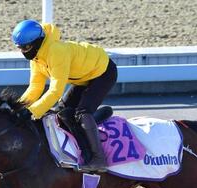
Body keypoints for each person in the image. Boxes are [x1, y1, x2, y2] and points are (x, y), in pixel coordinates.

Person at [11, 19, 118, 172]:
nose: (23, 51)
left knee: (82, 112)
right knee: (61, 112)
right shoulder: (36, 57)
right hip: (84, 76)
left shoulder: (56, 51)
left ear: (37, 42)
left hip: (103, 73)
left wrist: (31, 112)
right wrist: (19, 106)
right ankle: (84, 136)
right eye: (20, 48)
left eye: (26, 47)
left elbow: (55, 91)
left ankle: (99, 160)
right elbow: (35, 87)